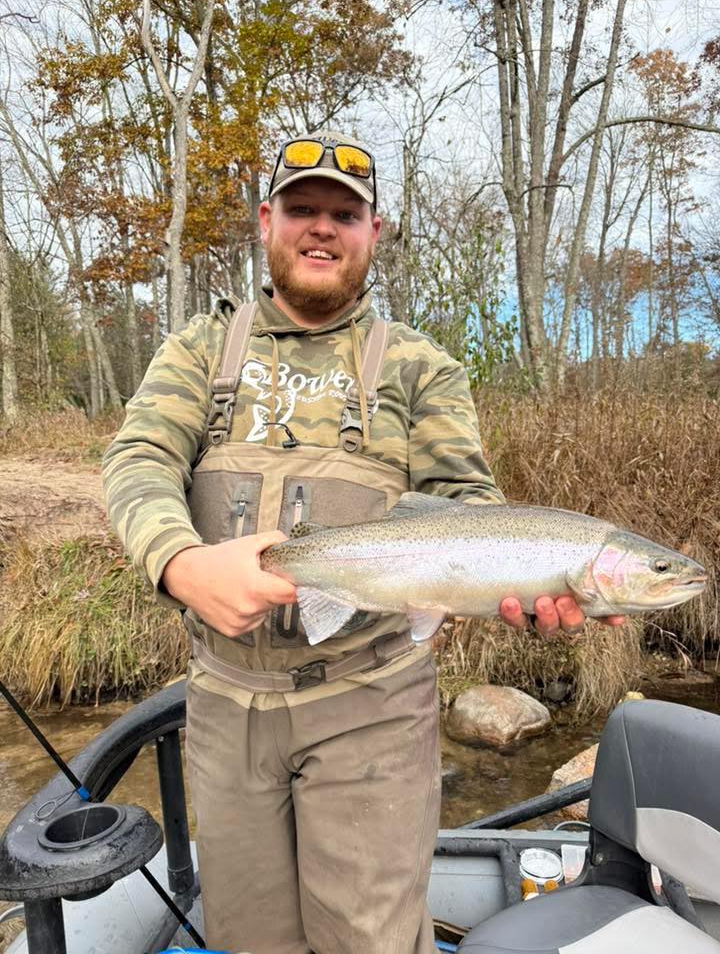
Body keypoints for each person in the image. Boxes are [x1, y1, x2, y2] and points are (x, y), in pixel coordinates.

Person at [102, 130, 623, 954]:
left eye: (344, 215)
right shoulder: (202, 349)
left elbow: (466, 503)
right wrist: (180, 561)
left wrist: (522, 581)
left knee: (370, 939)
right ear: (266, 222)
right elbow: (139, 459)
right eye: (302, 209)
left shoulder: (419, 367)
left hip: (371, 704)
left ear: (372, 233)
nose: (321, 227)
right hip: (224, 708)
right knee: (247, 937)